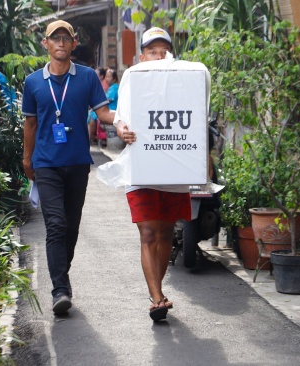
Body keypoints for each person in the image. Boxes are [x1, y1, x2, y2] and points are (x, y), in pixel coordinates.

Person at [22, 20, 114, 315]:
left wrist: (126, 122)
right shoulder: (34, 82)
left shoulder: (87, 77)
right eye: (55, 38)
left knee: (71, 228)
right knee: (57, 225)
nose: (60, 43)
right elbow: (30, 123)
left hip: (77, 163)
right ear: (45, 44)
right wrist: (27, 159)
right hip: (46, 163)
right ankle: (60, 289)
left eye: (66, 38)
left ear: (74, 43)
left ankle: (61, 273)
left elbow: (104, 114)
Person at [113, 27, 191, 321]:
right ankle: (157, 297)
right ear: (141, 55)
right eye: (152, 51)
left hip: (173, 170)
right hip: (141, 169)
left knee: (167, 232)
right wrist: (122, 130)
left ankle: (157, 289)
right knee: (148, 232)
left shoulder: (184, 81)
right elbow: (120, 117)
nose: (158, 56)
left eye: (164, 51)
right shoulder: (132, 80)